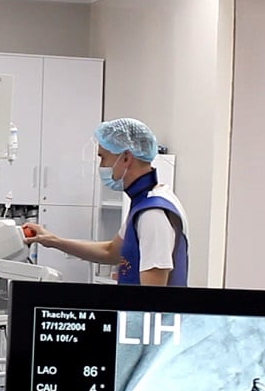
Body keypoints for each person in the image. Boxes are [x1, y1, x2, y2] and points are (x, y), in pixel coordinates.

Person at [23, 118, 189, 286]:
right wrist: (52, 240)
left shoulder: (153, 213)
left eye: (103, 158)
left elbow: (154, 296)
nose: (101, 166)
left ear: (126, 158)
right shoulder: (144, 203)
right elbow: (111, 252)